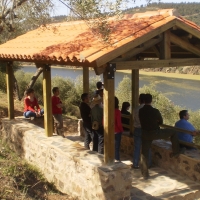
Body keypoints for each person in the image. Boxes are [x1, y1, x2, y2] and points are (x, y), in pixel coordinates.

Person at [139, 93, 183, 180]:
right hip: (155, 133)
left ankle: (145, 174)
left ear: (143, 101)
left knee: (144, 154)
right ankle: (176, 151)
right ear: (151, 101)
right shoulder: (155, 111)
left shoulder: (141, 111)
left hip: (145, 134)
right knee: (173, 132)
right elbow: (161, 121)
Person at [132, 94, 147, 169]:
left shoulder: (135, 109)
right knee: (146, 147)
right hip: (145, 130)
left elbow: (133, 118)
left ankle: (135, 164)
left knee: (137, 147)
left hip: (137, 129)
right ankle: (147, 164)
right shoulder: (147, 109)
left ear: (140, 100)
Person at [115, 97, 123, 161]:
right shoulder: (118, 112)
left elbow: (103, 121)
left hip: (109, 131)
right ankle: (116, 160)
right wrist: (121, 130)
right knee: (116, 147)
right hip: (117, 131)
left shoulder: (107, 111)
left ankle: (110, 158)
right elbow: (119, 123)